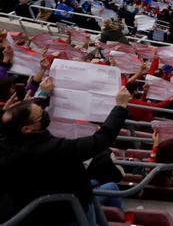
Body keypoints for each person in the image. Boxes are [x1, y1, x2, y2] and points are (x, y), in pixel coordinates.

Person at [0, 86, 131, 225]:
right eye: (40, 115)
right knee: (103, 192)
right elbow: (100, 140)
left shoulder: (7, 139)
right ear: (26, 129)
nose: (44, 113)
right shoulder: (50, 149)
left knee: (106, 186)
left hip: (27, 208)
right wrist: (120, 107)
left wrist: (43, 94)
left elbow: (25, 116)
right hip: (64, 211)